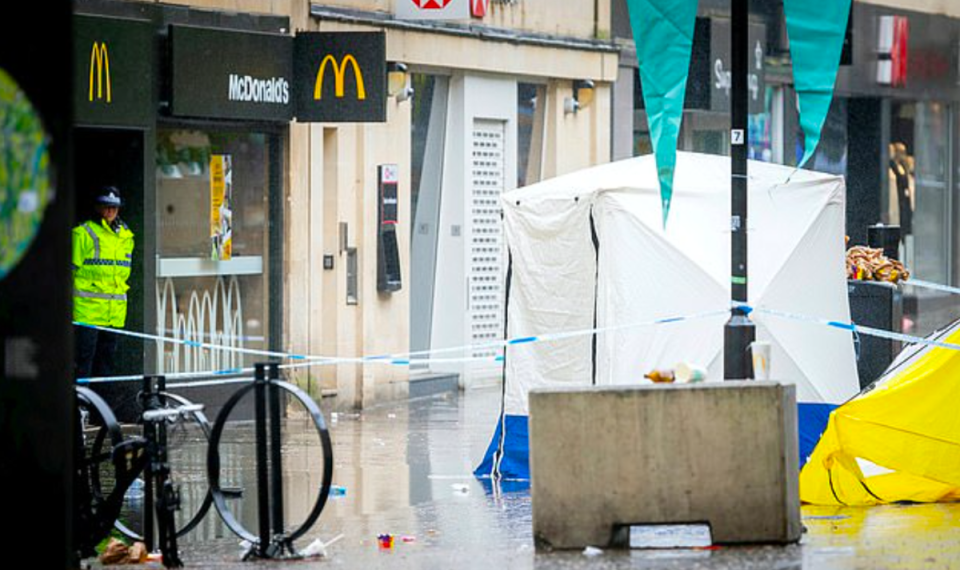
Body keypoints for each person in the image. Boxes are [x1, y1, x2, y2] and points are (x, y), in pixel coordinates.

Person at [73, 186, 134, 379]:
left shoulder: (126, 237)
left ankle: (102, 407)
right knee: (83, 364)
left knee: (106, 366)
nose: (110, 211)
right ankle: (80, 407)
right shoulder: (83, 234)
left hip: (113, 315)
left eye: (114, 207)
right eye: (105, 206)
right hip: (87, 314)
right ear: (97, 207)